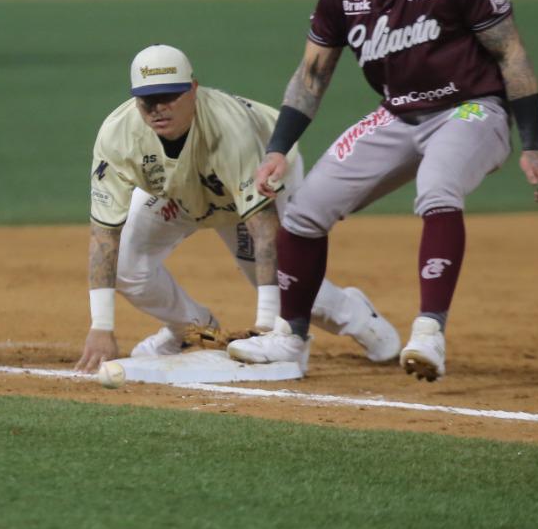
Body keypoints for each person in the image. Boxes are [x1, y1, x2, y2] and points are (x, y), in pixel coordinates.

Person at [228, 0, 538, 381]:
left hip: (471, 107)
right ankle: (290, 340)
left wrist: (532, 144)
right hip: (399, 113)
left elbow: (511, 53)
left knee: (438, 186)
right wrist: (277, 148)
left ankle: (429, 332)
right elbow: (311, 76)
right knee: (304, 213)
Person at [76, 44, 401, 374]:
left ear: (193, 89)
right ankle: (194, 331)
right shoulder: (118, 136)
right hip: (175, 190)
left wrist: (266, 326)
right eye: (148, 100)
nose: (159, 108)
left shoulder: (228, 129)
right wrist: (101, 326)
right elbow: (104, 236)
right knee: (126, 265)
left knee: (284, 283)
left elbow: (265, 228)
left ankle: (355, 316)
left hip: (261, 179)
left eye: (170, 96)